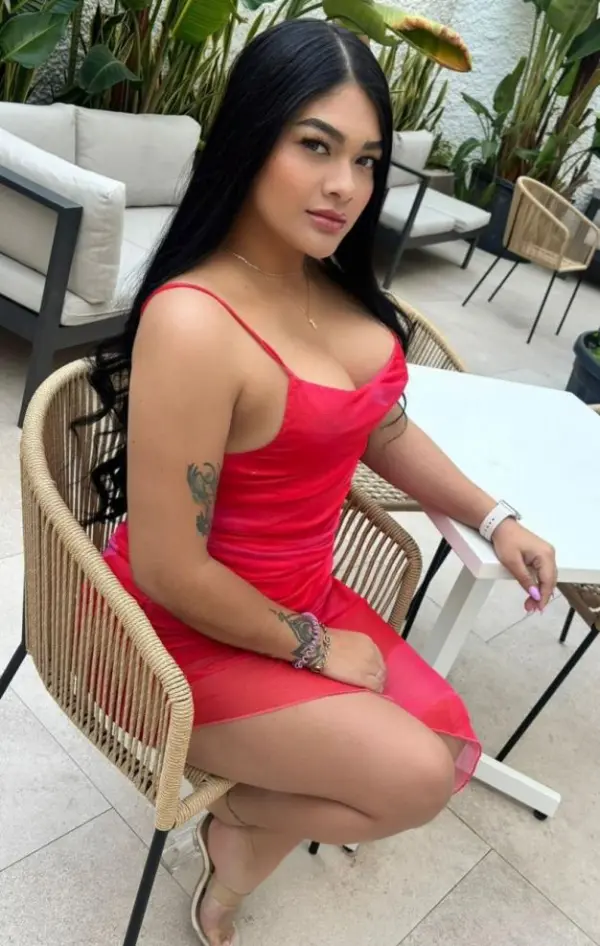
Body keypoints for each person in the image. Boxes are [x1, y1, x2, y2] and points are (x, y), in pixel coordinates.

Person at [80, 19, 557, 946]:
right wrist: (311, 646)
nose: (345, 185)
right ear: (252, 139)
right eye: (315, 145)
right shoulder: (195, 322)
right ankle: (238, 832)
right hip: (178, 637)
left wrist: (496, 517)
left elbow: (382, 428)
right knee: (415, 778)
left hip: (300, 593)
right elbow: (171, 570)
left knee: (445, 750)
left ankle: (239, 827)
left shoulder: (325, 285)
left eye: (367, 160)